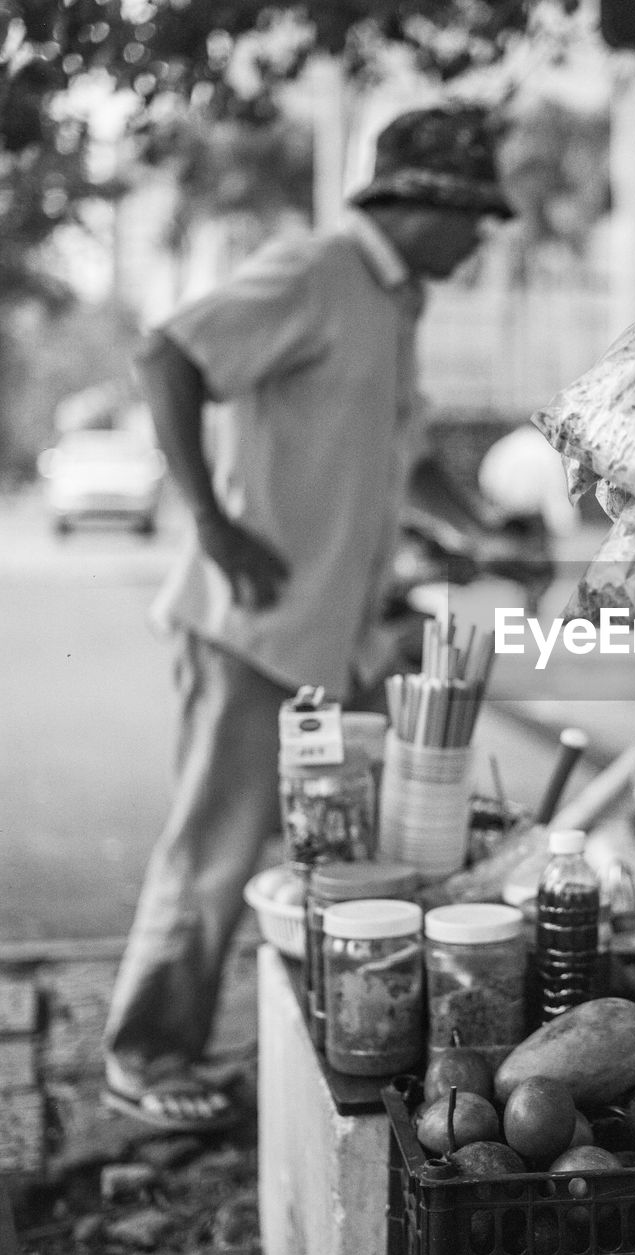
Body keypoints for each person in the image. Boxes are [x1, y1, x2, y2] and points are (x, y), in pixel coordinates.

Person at [102, 105, 514, 1133]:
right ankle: (144, 1057)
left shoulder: (396, 303)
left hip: (338, 638)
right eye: (475, 218)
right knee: (216, 852)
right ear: (423, 204)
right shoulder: (319, 269)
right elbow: (167, 358)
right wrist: (211, 523)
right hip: (255, 628)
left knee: (370, 846)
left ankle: (349, 1035)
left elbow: (397, 455)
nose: (483, 239)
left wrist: (463, 528)